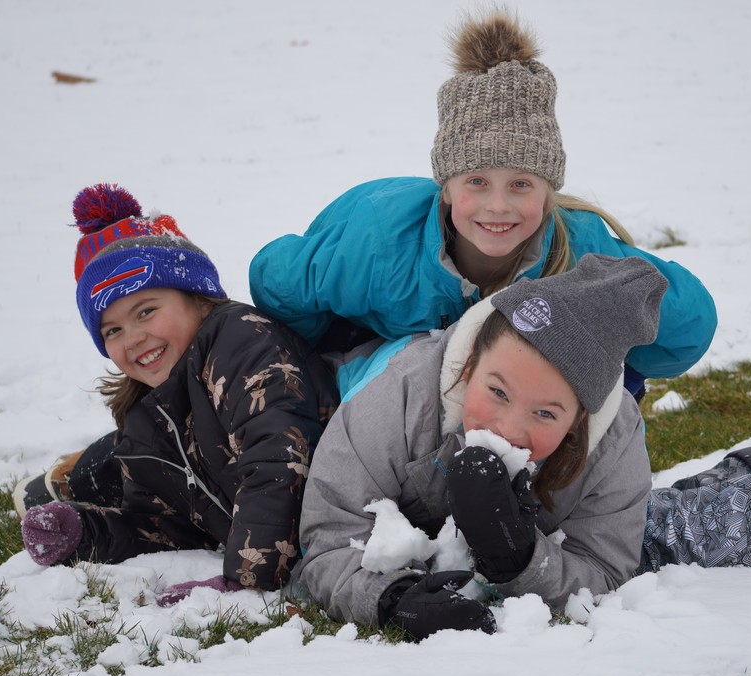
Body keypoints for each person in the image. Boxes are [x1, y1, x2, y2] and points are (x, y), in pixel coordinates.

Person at [295, 254, 751, 640]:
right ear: (470, 361)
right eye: (496, 390)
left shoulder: (615, 438)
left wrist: (519, 561)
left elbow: (606, 566)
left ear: (582, 416)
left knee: (680, 525)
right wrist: (392, 599)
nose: (509, 426)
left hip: (576, 523)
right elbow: (326, 534)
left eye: (546, 413)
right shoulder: (403, 395)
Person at [248, 9, 717, 400]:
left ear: (548, 192)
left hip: (515, 397)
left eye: (520, 184)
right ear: (446, 187)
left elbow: (688, 330)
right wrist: (337, 352)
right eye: (477, 181)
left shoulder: (580, 249)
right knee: (411, 366)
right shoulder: (379, 237)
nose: (498, 206)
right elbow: (279, 282)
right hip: (387, 372)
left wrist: (610, 340)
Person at [16, 183, 339, 594]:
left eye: (145, 311)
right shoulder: (148, 421)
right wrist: (84, 531)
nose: (132, 338)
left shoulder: (241, 343)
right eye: (113, 330)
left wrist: (245, 584)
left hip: (351, 517)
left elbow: (278, 459)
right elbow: (164, 525)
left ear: (198, 297)